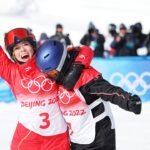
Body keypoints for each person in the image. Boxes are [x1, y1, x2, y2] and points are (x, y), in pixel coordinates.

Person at [36, 39, 142, 150]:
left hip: (99, 139)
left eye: (52, 73)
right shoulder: (59, 82)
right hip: (77, 141)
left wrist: (128, 100)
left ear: (61, 64)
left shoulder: (84, 76)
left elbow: (109, 91)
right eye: (47, 74)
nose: (51, 77)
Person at [0, 28, 70, 150]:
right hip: (27, 137)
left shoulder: (49, 62)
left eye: (25, 44)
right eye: (16, 48)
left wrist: (79, 64)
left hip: (57, 139)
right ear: (12, 54)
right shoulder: (11, 72)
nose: (22, 50)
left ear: (33, 46)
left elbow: (84, 51)